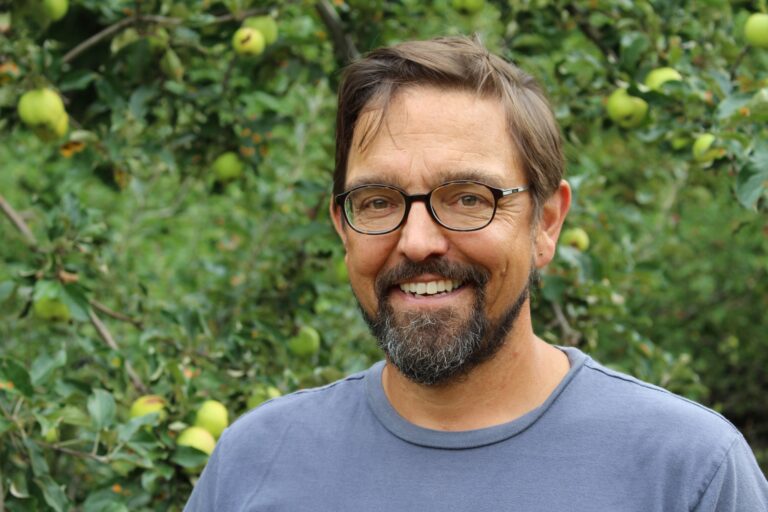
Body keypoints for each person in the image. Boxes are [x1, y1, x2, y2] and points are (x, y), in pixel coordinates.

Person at [184, 36, 768, 511]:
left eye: (468, 198)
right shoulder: (252, 463)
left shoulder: (689, 473)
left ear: (546, 222)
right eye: (379, 201)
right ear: (343, 226)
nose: (416, 242)